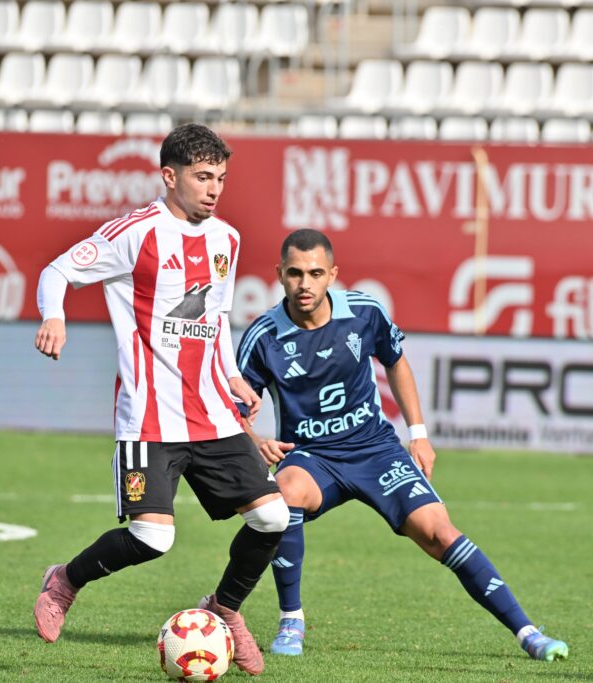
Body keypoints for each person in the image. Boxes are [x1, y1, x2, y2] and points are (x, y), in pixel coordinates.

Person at [235, 229, 569, 662]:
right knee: (285, 496)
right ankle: (291, 619)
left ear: (332, 274)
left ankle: (527, 632)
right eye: (295, 273)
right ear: (279, 275)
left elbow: (396, 362)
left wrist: (419, 434)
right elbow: (234, 405)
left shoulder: (364, 313)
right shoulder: (262, 337)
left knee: (441, 533)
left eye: (315, 273)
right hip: (313, 456)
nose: (305, 284)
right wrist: (256, 440)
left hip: (376, 449)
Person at [32, 123, 288, 676]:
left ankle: (223, 610)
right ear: (169, 177)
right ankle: (64, 582)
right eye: (202, 177)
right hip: (149, 417)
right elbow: (57, 271)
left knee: (273, 517)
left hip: (212, 414)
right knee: (152, 537)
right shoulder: (136, 233)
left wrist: (232, 377)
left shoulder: (228, 239)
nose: (214, 188)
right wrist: (55, 313)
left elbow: (214, 320)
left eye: (220, 177)